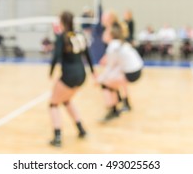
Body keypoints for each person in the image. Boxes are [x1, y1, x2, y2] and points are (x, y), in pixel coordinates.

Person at [48, 11, 95, 147]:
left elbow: (56, 56)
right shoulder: (80, 34)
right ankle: (81, 129)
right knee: (66, 100)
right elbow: (88, 54)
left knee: (53, 104)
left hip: (69, 75)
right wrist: (93, 71)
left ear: (62, 22)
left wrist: (50, 73)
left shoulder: (62, 37)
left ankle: (57, 137)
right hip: (81, 75)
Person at [97, 22, 143, 121]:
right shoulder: (118, 43)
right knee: (111, 83)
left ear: (111, 35)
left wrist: (99, 79)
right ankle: (118, 106)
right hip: (136, 69)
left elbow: (110, 67)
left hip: (132, 73)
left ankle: (112, 110)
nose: (103, 34)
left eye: (105, 32)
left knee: (105, 84)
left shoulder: (112, 46)